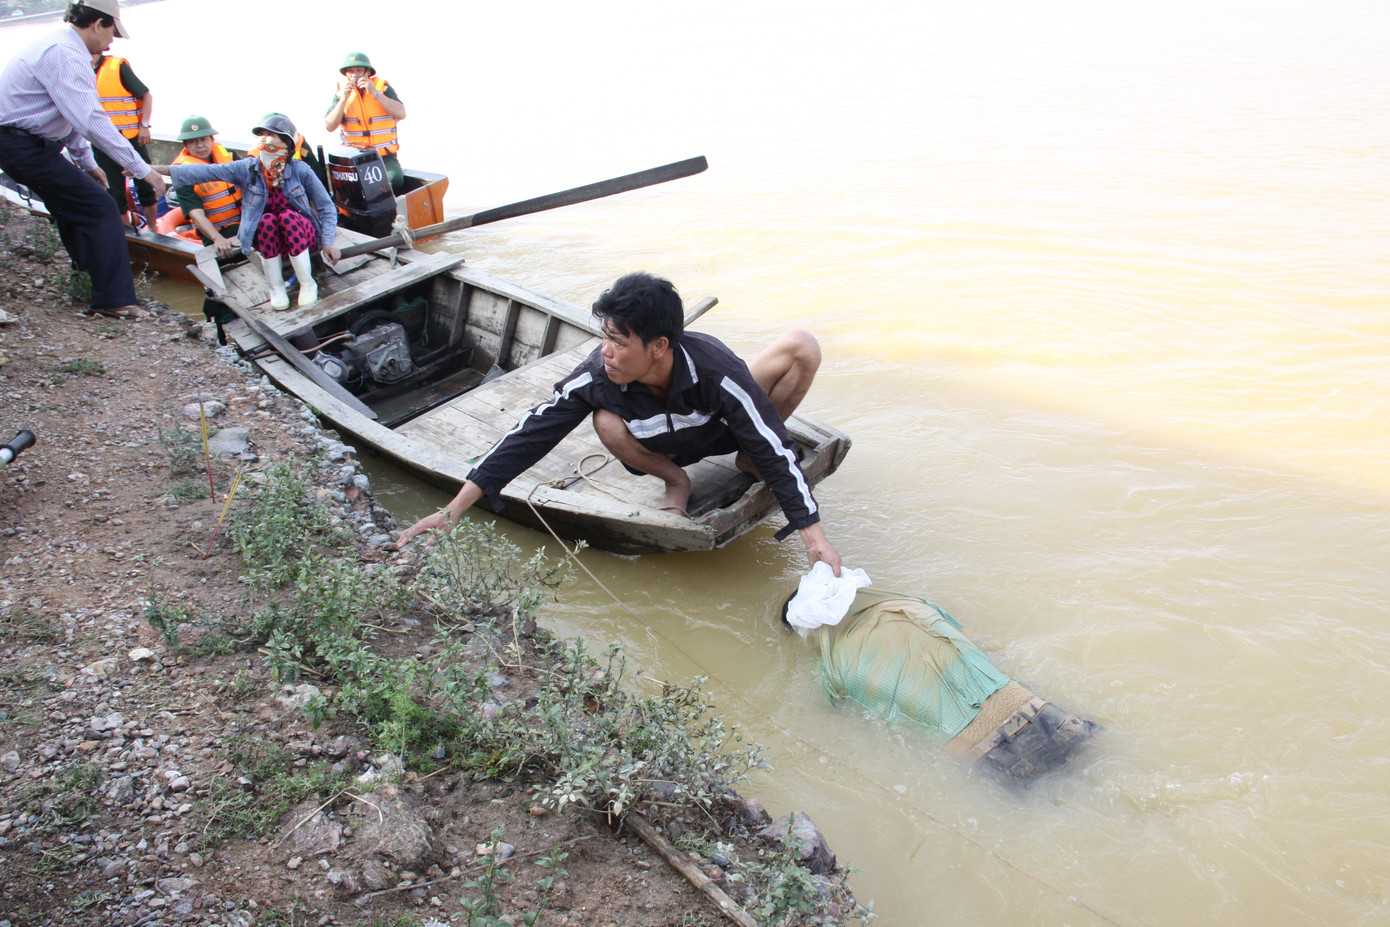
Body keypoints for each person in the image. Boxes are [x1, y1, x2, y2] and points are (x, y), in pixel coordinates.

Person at [395, 272, 843, 573]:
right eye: (604, 337)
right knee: (605, 419)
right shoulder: (597, 374)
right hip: (658, 445)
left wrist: (813, 537)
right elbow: (531, 433)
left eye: (617, 340)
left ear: (658, 346)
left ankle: (744, 460)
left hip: (715, 426)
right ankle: (675, 483)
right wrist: (452, 510)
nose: (605, 350)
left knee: (800, 347)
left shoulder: (714, 369)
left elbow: (773, 444)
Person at [782, 578, 1098, 783]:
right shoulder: (912, 605)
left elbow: (834, 718)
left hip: (987, 752)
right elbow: (980, 644)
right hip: (1039, 710)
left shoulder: (833, 668)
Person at [0, 0, 168, 320]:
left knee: (73, 208)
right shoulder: (66, 54)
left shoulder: (65, 48)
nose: (111, 42)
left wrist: (89, 166)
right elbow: (91, 120)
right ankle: (113, 301)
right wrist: (142, 169)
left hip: (29, 145)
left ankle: (87, 280)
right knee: (101, 207)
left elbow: (69, 117)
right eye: (111, 32)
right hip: (20, 145)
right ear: (97, 24)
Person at [159, 113, 339, 311]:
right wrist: (150, 169)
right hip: (270, 238)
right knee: (267, 220)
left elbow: (326, 207)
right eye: (261, 135)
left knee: (287, 217)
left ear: (286, 143)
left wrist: (328, 241)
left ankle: (307, 283)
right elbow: (204, 172)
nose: (264, 140)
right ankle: (276, 287)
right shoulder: (248, 168)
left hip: (301, 234)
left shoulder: (300, 170)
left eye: (271, 135)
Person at [91, 48, 156, 230]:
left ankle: (154, 230)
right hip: (103, 141)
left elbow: (146, 95)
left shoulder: (116, 66)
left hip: (131, 137)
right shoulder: (77, 70)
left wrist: (144, 125)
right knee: (114, 192)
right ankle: (127, 236)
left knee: (145, 184)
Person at [324, 51, 406, 193]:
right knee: (349, 187)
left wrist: (374, 92)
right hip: (355, 158)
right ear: (346, 74)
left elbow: (401, 113)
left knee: (395, 180)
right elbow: (329, 126)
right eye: (350, 71)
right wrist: (343, 99)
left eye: (359, 71)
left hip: (383, 156)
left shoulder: (383, 88)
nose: (355, 75)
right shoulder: (340, 92)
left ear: (368, 72)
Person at [167, 115, 240, 256]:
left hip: (245, 224)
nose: (200, 145)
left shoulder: (230, 157)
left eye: (204, 139)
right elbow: (195, 213)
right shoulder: (181, 173)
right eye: (193, 142)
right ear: (185, 145)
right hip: (217, 233)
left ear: (212, 139)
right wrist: (217, 239)